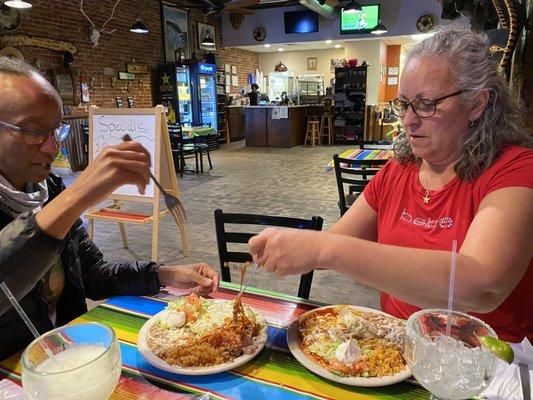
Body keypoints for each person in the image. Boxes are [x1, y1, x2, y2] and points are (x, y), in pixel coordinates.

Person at [249, 26, 533, 342]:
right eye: (404, 104)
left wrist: (324, 248)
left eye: (427, 104)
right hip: (397, 349)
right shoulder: (399, 169)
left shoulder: (516, 171)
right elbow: (336, 243)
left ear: (477, 104)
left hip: (489, 366)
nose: (409, 120)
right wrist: (298, 246)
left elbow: (482, 285)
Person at [0, 58, 219, 359]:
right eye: (33, 131)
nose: (53, 148)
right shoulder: (58, 198)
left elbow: (92, 273)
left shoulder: (46, 189)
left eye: (56, 132)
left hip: (71, 359)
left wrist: (163, 275)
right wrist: (77, 195)